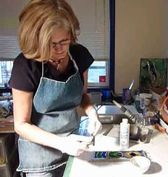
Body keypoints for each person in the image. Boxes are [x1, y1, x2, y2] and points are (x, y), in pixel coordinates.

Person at [9, 0, 102, 176]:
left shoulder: (79, 55)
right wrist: (62, 143)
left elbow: (81, 96)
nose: (59, 49)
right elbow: (21, 125)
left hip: (75, 146)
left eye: (64, 41)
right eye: (51, 44)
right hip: (39, 157)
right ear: (36, 40)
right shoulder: (25, 66)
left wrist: (91, 113)